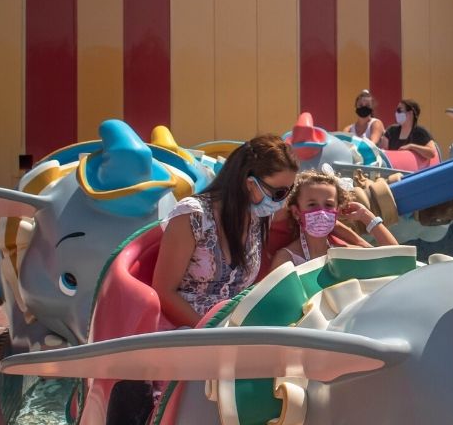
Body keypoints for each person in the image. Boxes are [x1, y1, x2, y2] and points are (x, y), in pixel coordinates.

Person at [153, 134, 298, 327]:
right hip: (189, 332)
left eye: (290, 191)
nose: (282, 201)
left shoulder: (259, 213)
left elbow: (307, 207)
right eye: (280, 193)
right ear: (249, 183)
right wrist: (212, 334)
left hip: (234, 329)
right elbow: (164, 292)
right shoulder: (192, 216)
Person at [269, 170, 397, 270]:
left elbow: (399, 259)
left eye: (329, 205)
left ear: (337, 211)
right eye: (312, 205)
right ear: (297, 212)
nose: (321, 212)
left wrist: (367, 217)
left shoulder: (345, 253)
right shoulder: (287, 259)